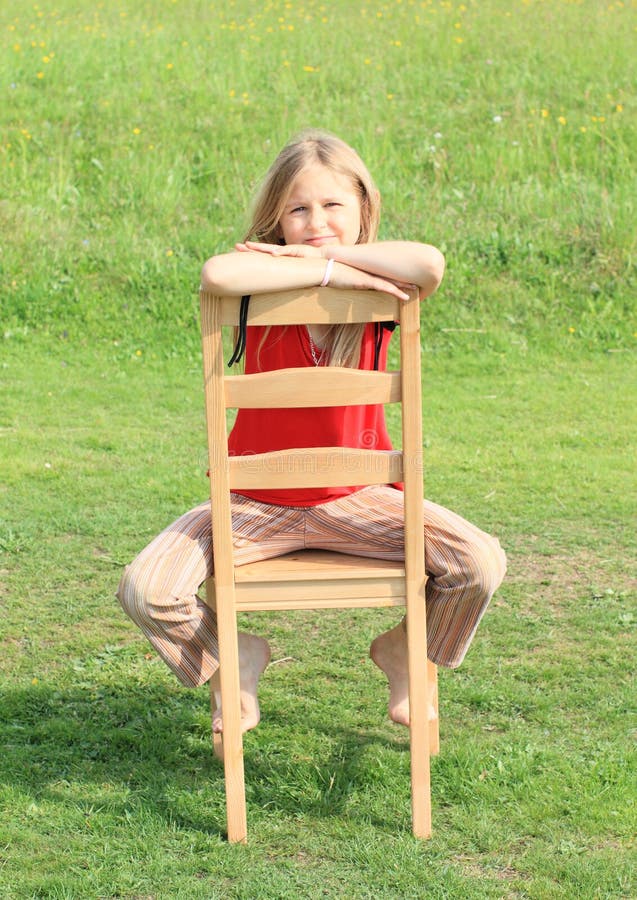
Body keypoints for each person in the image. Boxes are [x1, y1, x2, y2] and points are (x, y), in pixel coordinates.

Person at [117, 129, 506, 735]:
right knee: (148, 590)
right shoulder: (254, 284)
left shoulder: (384, 296)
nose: (315, 221)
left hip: (361, 502)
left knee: (477, 563)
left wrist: (330, 263)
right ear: (277, 217)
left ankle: (407, 650)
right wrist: (325, 270)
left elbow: (428, 262)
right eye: (298, 209)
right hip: (250, 503)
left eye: (333, 206)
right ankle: (236, 659)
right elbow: (216, 271)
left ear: (363, 210)